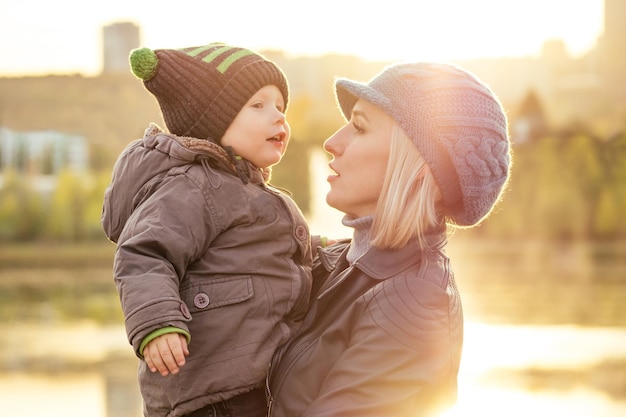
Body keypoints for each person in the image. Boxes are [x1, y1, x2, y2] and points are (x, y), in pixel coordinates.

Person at [266, 62, 512, 417]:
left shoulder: (412, 302)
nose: (332, 143)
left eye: (360, 127)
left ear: (417, 164)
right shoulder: (341, 260)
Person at [100, 42, 313, 417]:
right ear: (214, 119)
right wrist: (157, 322)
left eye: (281, 107)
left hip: (250, 385)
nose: (279, 117)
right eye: (259, 105)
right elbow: (144, 252)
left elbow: (281, 255)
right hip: (210, 397)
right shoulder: (193, 186)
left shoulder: (250, 192)